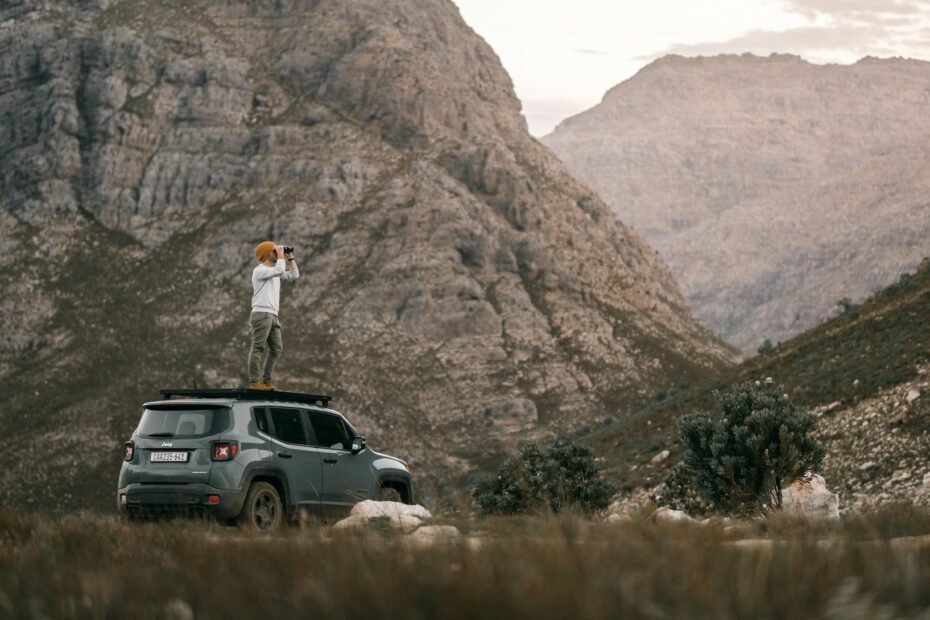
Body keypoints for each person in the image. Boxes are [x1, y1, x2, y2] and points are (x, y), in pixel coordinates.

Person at [248, 241, 299, 390]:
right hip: (261, 313)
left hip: (273, 314)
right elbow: (279, 270)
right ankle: (254, 382)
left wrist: (290, 257)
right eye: (274, 251)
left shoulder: (275, 271)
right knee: (258, 347)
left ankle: (267, 382)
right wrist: (281, 254)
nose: (277, 253)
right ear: (266, 254)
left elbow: (294, 276)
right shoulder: (259, 270)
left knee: (277, 348)